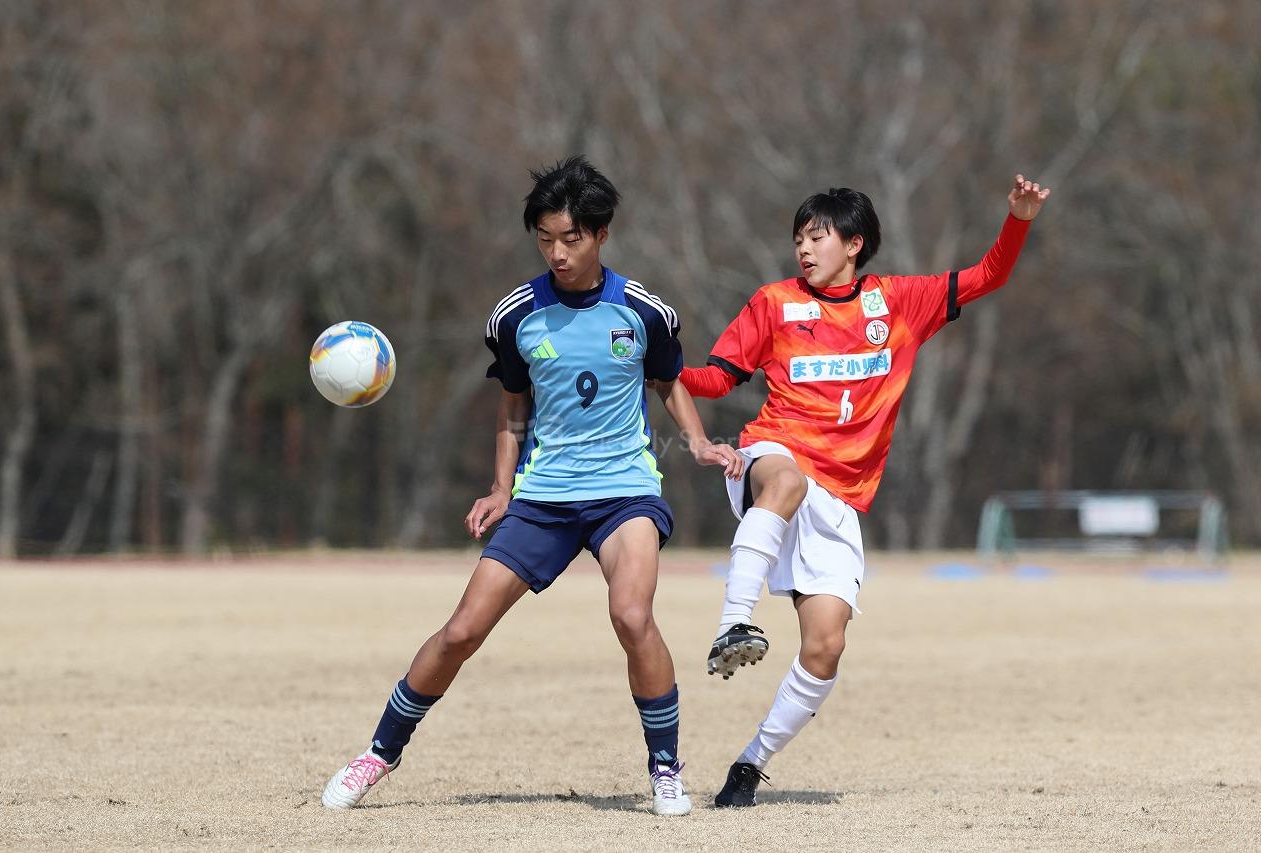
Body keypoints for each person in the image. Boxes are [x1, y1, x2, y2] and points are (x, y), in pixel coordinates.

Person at [320, 155, 743, 816]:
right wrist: (501, 488)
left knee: (632, 616)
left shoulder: (644, 311)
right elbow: (513, 406)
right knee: (462, 631)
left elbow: (667, 381)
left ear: (601, 234)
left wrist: (697, 440)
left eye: (570, 238)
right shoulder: (515, 315)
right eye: (545, 239)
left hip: (625, 491)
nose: (557, 253)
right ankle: (378, 753)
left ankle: (665, 767)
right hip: (543, 496)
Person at [682, 175, 1051, 806]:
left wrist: (1017, 219)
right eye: (798, 238)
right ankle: (733, 624)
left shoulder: (899, 302)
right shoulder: (774, 303)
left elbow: (989, 274)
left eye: (817, 236)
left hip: (840, 496)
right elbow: (716, 379)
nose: (803, 248)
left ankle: (750, 764)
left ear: (854, 244)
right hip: (774, 454)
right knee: (786, 480)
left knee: (826, 647)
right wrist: (662, 370)